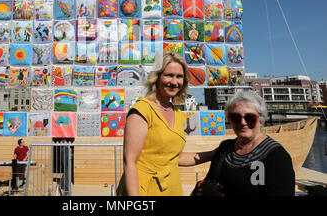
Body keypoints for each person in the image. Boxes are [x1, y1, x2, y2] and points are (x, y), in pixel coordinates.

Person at [116, 51, 217, 196]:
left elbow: (174, 158)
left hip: (171, 188)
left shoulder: (179, 115)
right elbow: (130, 162)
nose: (174, 82)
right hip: (141, 189)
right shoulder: (142, 109)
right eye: (168, 75)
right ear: (156, 77)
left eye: (179, 77)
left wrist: (214, 153)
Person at [204, 90, 295, 196]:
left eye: (250, 118)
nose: (243, 122)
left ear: (260, 119)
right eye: (236, 118)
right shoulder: (225, 147)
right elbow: (210, 181)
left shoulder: (277, 156)